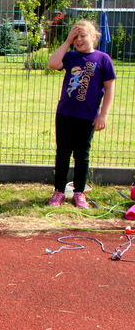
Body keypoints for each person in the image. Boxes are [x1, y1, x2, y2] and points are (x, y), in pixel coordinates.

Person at [46, 19, 116, 208]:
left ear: (93, 36)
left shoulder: (103, 59)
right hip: (65, 114)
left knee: (82, 155)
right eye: (75, 37)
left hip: (87, 116)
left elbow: (110, 88)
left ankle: (79, 193)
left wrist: (104, 114)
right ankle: (59, 192)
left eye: (82, 36)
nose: (78, 40)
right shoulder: (70, 56)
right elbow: (52, 63)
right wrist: (67, 41)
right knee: (62, 153)